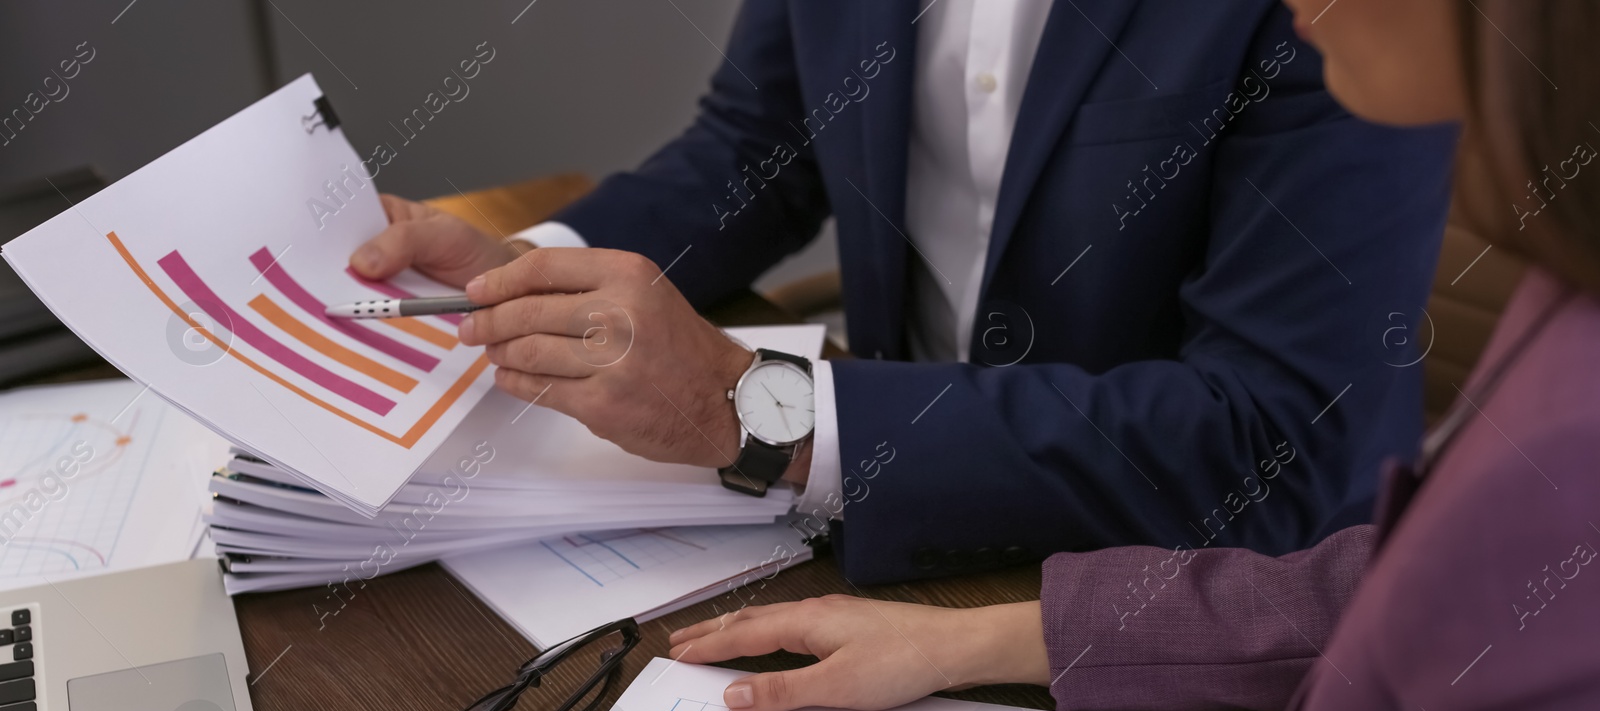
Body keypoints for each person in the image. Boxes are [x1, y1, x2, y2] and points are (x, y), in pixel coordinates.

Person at [635, 0, 1600, 711]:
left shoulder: (1564, 467)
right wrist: (1003, 635)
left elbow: (1307, 459)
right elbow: (1406, 592)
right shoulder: (1566, 288)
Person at [351, 0, 1456, 584]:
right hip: (879, 521)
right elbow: (761, 145)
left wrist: (753, 410)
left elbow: (1276, 445)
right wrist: (526, 269)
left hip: (1190, 592)